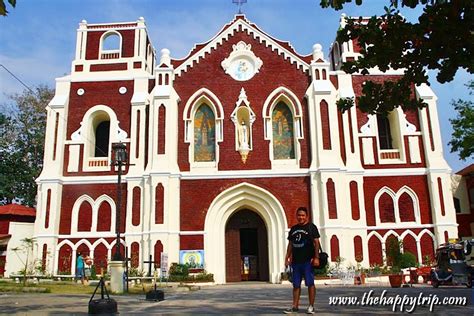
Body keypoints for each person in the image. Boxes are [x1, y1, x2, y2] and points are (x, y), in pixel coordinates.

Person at [284, 207, 320, 314]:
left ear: (306, 216)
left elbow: (316, 243)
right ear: (297, 216)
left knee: (310, 284)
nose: (301, 217)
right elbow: (290, 244)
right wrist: (287, 257)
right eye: (299, 215)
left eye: (303, 215)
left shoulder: (311, 227)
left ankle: (311, 306)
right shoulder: (294, 229)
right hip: (296, 262)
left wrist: (316, 257)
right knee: (296, 285)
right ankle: (295, 306)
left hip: (308, 261)